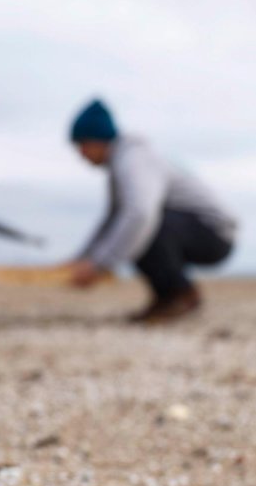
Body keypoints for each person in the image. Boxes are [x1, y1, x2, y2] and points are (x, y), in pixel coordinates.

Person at [65, 99, 238, 323]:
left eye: (82, 144)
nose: (80, 153)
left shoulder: (133, 160)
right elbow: (111, 220)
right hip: (188, 227)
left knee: (141, 228)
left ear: (98, 139)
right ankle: (165, 298)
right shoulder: (121, 164)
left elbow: (140, 214)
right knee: (130, 232)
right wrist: (84, 258)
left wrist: (100, 264)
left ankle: (182, 294)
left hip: (215, 233)